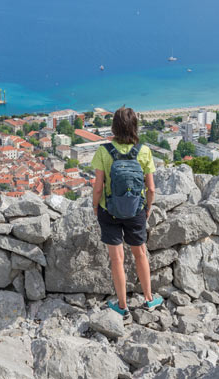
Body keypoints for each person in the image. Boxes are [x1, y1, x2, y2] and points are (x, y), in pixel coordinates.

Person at [91, 106, 163, 320]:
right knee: (140, 253)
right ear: (135, 127)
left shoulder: (103, 151)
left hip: (109, 210)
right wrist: (147, 208)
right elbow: (151, 189)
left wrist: (96, 206)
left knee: (117, 259)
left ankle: (122, 306)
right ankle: (149, 299)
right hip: (136, 211)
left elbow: (98, 187)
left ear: (114, 127)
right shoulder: (144, 151)